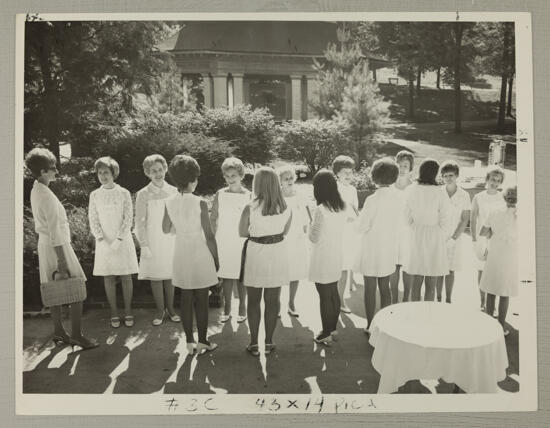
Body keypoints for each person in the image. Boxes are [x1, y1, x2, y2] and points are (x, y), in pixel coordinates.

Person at [26, 148, 98, 350]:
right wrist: (62, 261)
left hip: (46, 245)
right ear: (42, 172)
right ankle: (76, 335)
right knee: (77, 288)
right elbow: (55, 229)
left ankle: (59, 331)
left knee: (53, 288)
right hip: (56, 246)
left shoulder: (36, 190)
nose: (56, 171)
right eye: (52, 168)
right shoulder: (46, 195)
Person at [163, 155, 219, 355]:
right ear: (193, 179)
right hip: (199, 251)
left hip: (181, 252)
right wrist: (216, 258)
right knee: (202, 298)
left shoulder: (168, 202)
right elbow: (209, 235)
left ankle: (189, 341)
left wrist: (180, 227)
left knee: (185, 297)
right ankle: (203, 341)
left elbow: (165, 228)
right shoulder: (200, 202)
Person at [239, 167, 292, 356]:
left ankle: (254, 343)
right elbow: (285, 232)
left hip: (256, 253)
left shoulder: (250, 207)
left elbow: (242, 232)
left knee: (253, 301)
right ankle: (269, 342)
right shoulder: (286, 207)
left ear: (257, 185)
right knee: (273, 300)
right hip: (277, 252)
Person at [89, 156, 139, 328]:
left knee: (126, 276)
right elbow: (93, 219)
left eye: (106, 172)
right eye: (100, 172)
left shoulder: (124, 193)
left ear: (114, 173)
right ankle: (114, 312)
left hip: (122, 240)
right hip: (104, 242)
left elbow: (128, 218)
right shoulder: (94, 195)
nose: (103, 176)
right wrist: (101, 239)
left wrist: (119, 238)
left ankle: (128, 311)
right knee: (108, 277)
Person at [355, 158, 401, 333]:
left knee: (369, 287)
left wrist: (355, 220)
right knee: (385, 286)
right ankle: (385, 324)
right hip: (389, 246)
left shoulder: (372, 200)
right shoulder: (397, 199)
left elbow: (362, 227)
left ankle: (370, 324)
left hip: (372, 247)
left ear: (375, 176)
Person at [134, 154, 180, 326]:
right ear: (147, 173)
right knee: (156, 276)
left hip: (170, 239)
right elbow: (139, 221)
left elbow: (177, 216)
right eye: (153, 171)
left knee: (169, 275)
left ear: (165, 169)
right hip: (152, 240)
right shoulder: (143, 194)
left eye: (160, 170)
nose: (158, 173)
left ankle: (172, 309)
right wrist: (143, 244)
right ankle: (160, 310)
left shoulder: (174, 191)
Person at [404, 159, 453, 302]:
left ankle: (415, 313)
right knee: (432, 277)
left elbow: (406, 216)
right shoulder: (440, 192)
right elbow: (445, 218)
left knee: (417, 277)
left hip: (416, 233)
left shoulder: (411, 189)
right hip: (434, 234)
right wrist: (439, 232)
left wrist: (414, 226)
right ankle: (428, 315)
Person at [308, 169, 348, 345]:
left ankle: (325, 332)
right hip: (336, 254)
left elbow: (313, 237)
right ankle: (333, 329)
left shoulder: (320, 209)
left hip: (322, 256)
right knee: (333, 292)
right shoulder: (342, 206)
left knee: (324, 296)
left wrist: (310, 223)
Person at [210, 157, 250, 323]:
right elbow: (213, 217)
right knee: (226, 275)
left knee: (241, 275)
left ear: (241, 175)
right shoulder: (220, 194)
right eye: (227, 176)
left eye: (234, 175)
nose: (231, 178)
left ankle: (242, 306)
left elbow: (252, 219)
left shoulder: (249, 195)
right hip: (224, 238)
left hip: (241, 239)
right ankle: (227, 308)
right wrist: (212, 238)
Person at [479, 186, 517, 336]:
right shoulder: (523, 213)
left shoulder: (494, 211)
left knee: (492, 289)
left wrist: (492, 234)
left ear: (504, 197)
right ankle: (501, 326)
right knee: (504, 291)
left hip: (496, 252)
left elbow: (483, 231)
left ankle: (490, 326)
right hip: (510, 254)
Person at [470, 166, 507, 310]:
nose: (495, 183)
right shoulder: (478, 197)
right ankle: (482, 302)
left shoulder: (502, 197)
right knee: (481, 270)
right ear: (487, 179)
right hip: (481, 238)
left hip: (496, 239)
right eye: (492, 179)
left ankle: (493, 305)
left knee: (494, 270)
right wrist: (474, 240)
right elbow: (473, 220)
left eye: (498, 181)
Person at [436, 160, 471, 303]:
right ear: (442, 177)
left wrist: (454, 238)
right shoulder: (438, 193)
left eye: (451, 175)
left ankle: (448, 299)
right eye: (445, 176)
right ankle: (437, 298)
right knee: (438, 269)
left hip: (454, 237)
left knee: (450, 270)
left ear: (457, 175)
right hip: (438, 236)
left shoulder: (464, 195)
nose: (448, 178)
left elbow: (464, 219)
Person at [278, 164, 310, 317]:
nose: (289, 180)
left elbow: (305, 218)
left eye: (291, 177)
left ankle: (291, 303)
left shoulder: (300, 195)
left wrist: (304, 232)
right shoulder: (277, 196)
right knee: (279, 271)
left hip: (296, 237)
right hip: (281, 238)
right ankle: (276, 304)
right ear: (280, 181)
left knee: (295, 271)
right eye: (286, 178)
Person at [332, 155, 359, 314]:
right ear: (337, 173)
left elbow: (355, 210)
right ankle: (334, 299)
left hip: (349, 233)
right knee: (336, 268)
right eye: (344, 172)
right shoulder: (333, 189)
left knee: (345, 267)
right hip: (336, 232)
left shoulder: (353, 189)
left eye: (350, 172)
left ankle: (341, 300)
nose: (348, 175)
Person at [389, 150, 415, 303]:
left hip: (409, 232)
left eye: (406, 165)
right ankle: (393, 299)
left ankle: (406, 298)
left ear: (410, 167)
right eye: (400, 165)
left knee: (407, 265)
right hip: (392, 231)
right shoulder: (389, 187)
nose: (403, 169)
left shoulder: (414, 187)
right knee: (393, 266)